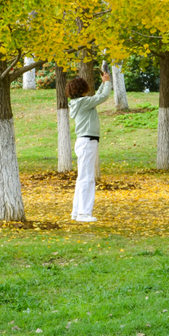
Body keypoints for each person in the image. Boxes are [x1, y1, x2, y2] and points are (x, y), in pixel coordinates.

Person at [66, 70, 111, 222]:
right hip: (87, 142)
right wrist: (108, 83)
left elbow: (96, 97)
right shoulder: (83, 103)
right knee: (87, 178)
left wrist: (103, 83)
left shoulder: (80, 102)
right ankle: (83, 213)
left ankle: (77, 211)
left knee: (83, 178)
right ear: (82, 89)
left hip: (84, 142)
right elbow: (103, 97)